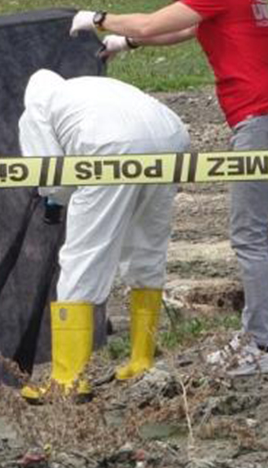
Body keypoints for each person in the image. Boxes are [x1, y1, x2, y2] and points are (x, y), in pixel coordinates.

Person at [70, 0, 268, 377]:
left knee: (249, 237)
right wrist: (129, 44)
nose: (173, 0)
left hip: (261, 122)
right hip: (266, 119)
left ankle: (263, 345)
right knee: (252, 236)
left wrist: (98, 19)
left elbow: (155, 22)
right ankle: (257, 336)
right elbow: (183, 30)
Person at [16, 70, 190, 402]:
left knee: (83, 256)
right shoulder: (93, 89)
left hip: (110, 147)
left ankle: (68, 380)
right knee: (147, 248)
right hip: (172, 139)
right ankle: (141, 360)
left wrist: (57, 200)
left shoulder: (37, 107)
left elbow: (51, 174)